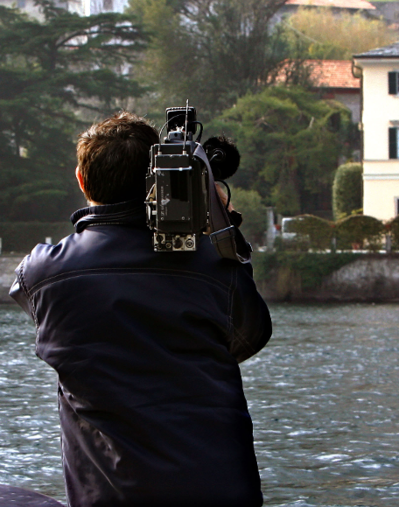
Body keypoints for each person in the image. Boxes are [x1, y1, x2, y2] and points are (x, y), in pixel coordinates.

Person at [9, 111, 271, 507]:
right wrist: (221, 230)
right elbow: (251, 336)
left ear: (82, 181)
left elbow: (33, 295)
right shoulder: (213, 265)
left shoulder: (43, 272)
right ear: (159, 178)